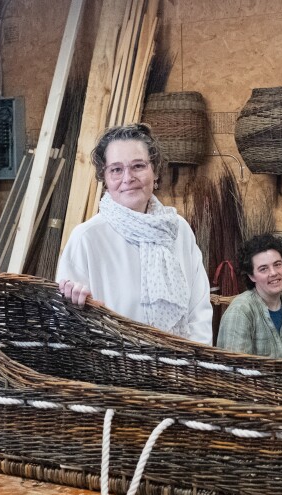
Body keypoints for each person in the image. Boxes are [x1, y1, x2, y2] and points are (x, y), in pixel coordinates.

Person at [56, 123, 213, 344]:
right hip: (114, 363)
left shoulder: (178, 230)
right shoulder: (87, 238)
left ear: (155, 171)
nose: (128, 178)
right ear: (104, 178)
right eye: (116, 169)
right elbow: (66, 322)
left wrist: (193, 358)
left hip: (182, 362)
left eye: (138, 166)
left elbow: (199, 308)